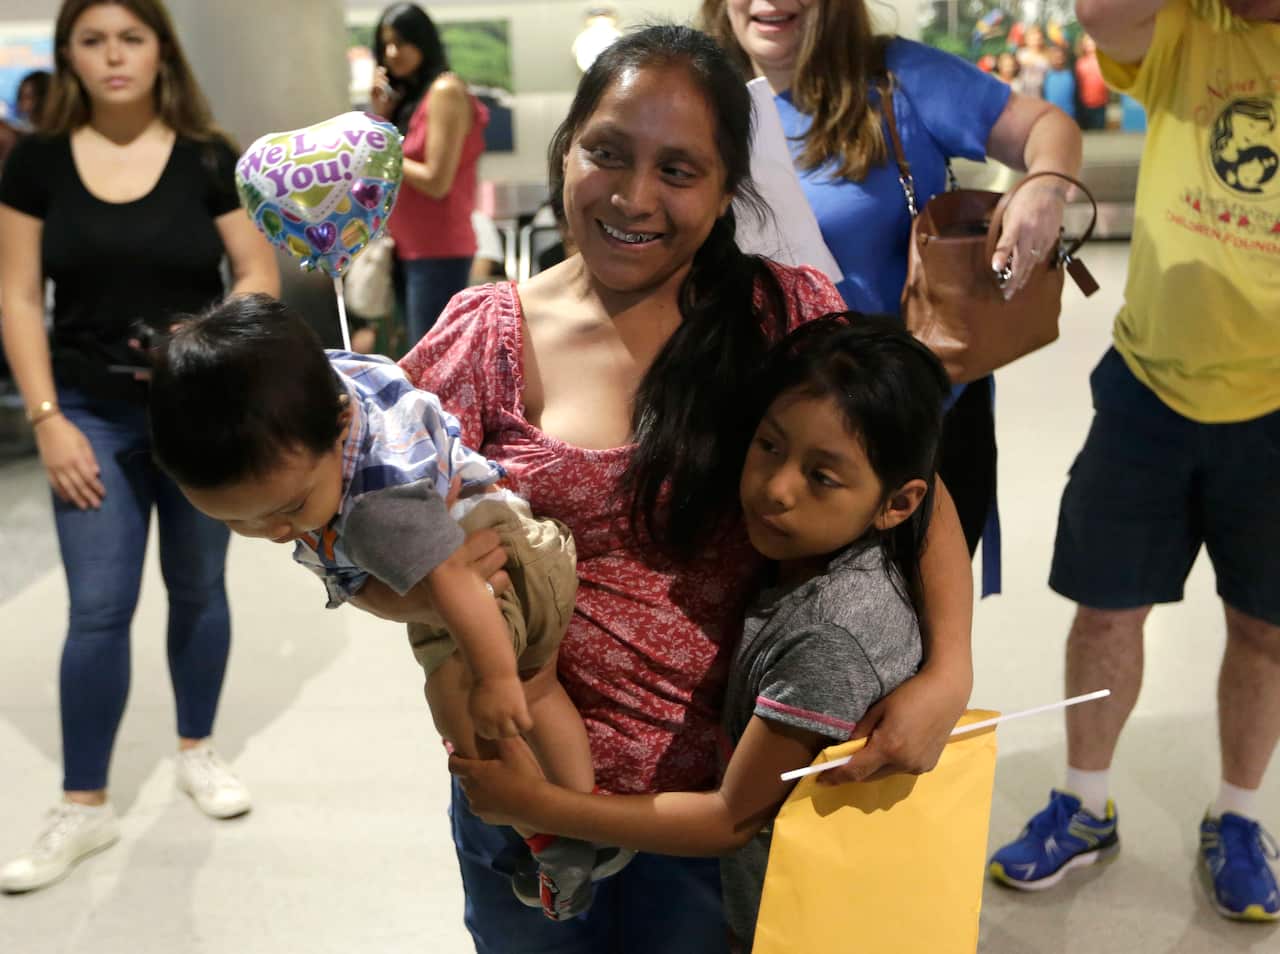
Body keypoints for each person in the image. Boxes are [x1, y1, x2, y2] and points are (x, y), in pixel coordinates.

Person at [387, 24, 975, 952]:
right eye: (607, 153)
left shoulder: (780, 317)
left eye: (679, 170)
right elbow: (369, 545)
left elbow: (913, 488)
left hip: (721, 813)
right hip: (526, 809)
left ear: (729, 189)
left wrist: (949, 671)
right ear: (566, 146)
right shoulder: (480, 340)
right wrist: (441, 581)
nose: (633, 197)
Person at [451, 314, 950, 953]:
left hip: (780, 916)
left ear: (900, 503)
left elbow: (730, 820)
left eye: (821, 477)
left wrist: (534, 806)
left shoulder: (830, 637)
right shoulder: (813, 564)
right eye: (768, 446)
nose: (776, 489)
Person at [146, 294, 625, 922]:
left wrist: (493, 676)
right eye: (240, 522)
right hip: (519, 541)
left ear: (339, 427)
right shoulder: (321, 386)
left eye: (289, 508)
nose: (279, 531)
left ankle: (544, 835)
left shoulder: (378, 509)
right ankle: (587, 821)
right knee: (539, 692)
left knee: (462, 705)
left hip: (490, 578)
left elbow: (455, 585)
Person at [989, 0, 1280, 923]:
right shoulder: (1190, 28)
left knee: (1267, 629)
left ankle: (1239, 815)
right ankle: (1084, 802)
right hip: (1148, 387)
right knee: (1107, 611)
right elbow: (1102, 13)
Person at [0, 0, 278, 895]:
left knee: (198, 587)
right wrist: (46, 417)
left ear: (161, 50)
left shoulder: (207, 157)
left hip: (196, 415)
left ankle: (197, 749)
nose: (113, 56)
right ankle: (84, 804)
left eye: (130, 37)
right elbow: (15, 296)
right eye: (91, 40)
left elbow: (258, 272)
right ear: (68, 55)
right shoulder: (38, 162)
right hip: (89, 414)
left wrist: (217, 353)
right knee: (97, 606)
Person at [699, 0, 1082, 568]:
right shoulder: (702, 94)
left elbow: (1047, 127)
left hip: (905, 427)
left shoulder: (897, 78)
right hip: (760, 432)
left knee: (904, 638)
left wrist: (1045, 187)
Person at [370, 3, 488, 347]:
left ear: (423, 41)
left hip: (438, 251)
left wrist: (382, 143)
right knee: (420, 358)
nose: (392, 53)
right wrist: (382, 115)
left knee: (433, 364)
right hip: (411, 249)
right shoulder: (413, 99)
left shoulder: (445, 91)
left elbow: (437, 181)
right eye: (386, 44)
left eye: (402, 42)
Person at [1074, 34, 1111, 130]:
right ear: (1082, 45)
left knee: (1099, 131)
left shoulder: (1104, 61)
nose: (1090, 43)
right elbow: (1078, 83)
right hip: (1084, 104)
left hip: (1101, 103)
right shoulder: (1080, 62)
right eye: (1087, 41)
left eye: (1092, 40)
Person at [1016, 24, 1052, 99]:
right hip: (1025, 92)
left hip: (1042, 93)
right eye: (1033, 39)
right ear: (1026, 40)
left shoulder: (1047, 55)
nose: (1036, 42)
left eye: (1039, 39)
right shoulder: (1022, 53)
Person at [1043, 45, 1078, 120]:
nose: (1059, 59)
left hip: (1069, 115)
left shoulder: (1070, 74)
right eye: (1056, 57)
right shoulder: (1047, 75)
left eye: (1061, 57)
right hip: (1051, 115)